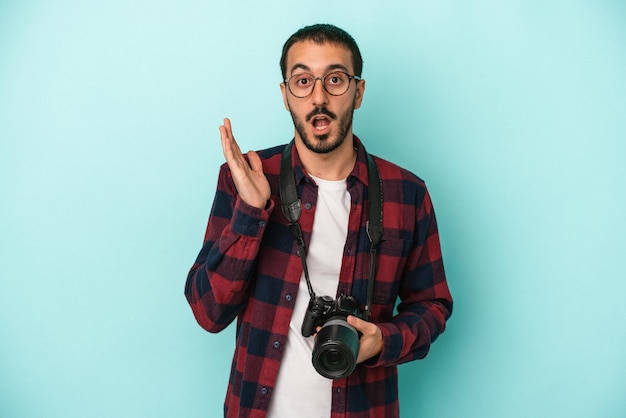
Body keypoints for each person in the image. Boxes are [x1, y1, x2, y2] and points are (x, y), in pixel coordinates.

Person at [185, 23, 453, 418]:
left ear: (358, 92)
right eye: (303, 81)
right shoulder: (245, 177)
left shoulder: (407, 194)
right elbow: (208, 312)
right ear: (285, 95)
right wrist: (251, 213)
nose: (319, 97)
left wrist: (383, 340)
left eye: (335, 79)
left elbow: (432, 304)